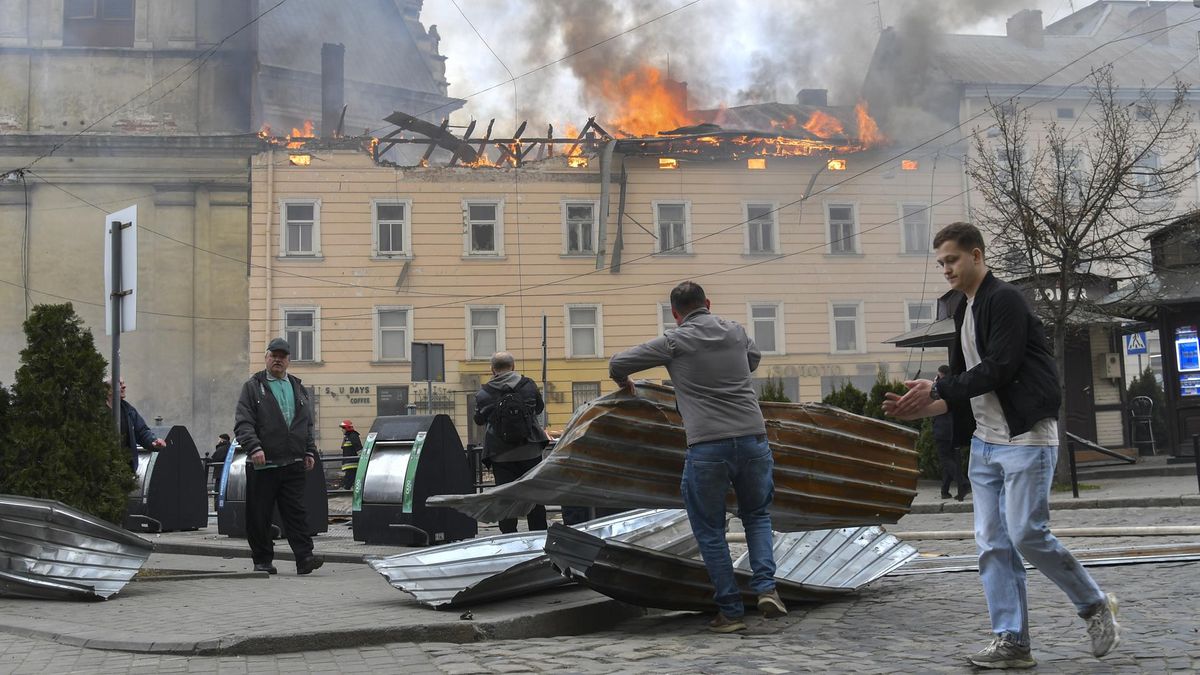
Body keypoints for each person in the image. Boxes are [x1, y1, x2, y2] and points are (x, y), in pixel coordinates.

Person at [883, 222, 1119, 669]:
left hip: (1026, 438)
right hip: (985, 444)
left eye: (952, 260)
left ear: (976, 255)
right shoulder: (961, 309)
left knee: (1027, 534)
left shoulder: (1005, 298)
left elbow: (1000, 368)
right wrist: (920, 406)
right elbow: (963, 389)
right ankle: (1012, 641)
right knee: (992, 544)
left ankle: (1094, 606)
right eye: (940, 263)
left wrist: (938, 389)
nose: (946, 270)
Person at [609, 281, 786, 634]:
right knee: (756, 517)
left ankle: (731, 613)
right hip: (754, 440)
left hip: (707, 446)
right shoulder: (736, 331)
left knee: (710, 531)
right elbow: (753, 359)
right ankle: (766, 588)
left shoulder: (674, 341)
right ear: (708, 302)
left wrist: (624, 382)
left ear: (675, 313)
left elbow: (619, 362)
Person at [234, 338, 324, 576]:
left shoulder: (297, 387)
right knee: (259, 515)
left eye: (282, 356)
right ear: (266, 357)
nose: (278, 360)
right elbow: (244, 423)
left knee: (296, 513)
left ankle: (305, 558)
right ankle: (263, 561)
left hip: (293, 462)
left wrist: (308, 450)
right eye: (274, 355)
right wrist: (254, 448)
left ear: (288, 360)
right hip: (263, 464)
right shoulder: (253, 387)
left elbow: (306, 424)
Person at [473, 351, 549, 534]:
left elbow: (479, 420)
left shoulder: (484, 394)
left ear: (492, 369)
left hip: (501, 455)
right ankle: (538, 536)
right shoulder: (528, 385)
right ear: (513, 366)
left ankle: (509, 538)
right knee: (534, 495)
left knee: (505, 498)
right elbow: (539, 408)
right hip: (530, 449)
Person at [105, 377, 165, 470]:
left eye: (123, 383)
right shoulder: (98, 410)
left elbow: (141, 432)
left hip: (125, 468)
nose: (124, 386)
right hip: (104, 467)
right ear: (108, 390)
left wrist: (153, 442)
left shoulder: (127, 410)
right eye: (119, 384)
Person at [932, 365, 970, 501]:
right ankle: (945, 490)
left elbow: (932, 400)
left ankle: (963, 483)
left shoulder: (940, 388)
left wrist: (935, 383)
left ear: (940, 375)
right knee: (950, 459)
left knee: (945, 459)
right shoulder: (956, 385)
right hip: (954, 427)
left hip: (942, 428)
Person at [339, 420, 363, 490]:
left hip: (352, 463)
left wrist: (362, 460)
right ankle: (347, 488)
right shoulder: (348, 437)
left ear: (347, 428)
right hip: (349, 462)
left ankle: (346, 489)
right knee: (350, 477)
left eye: (343, 428)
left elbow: (358, 447)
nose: (342, 430)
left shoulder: (353, 436)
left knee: (350, 477)